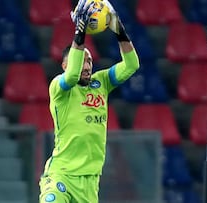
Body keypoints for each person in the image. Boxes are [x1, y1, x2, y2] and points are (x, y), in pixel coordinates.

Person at [39, 0, 139, 202]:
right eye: (82, 60)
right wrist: (80, 32)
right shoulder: (60, 87)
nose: (86, 66)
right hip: (61, 176)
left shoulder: (101, 82)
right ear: (65, 64)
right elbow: (73, 75)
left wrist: (118, 29)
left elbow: (131, 65)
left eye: (90, 61)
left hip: (90, 182)